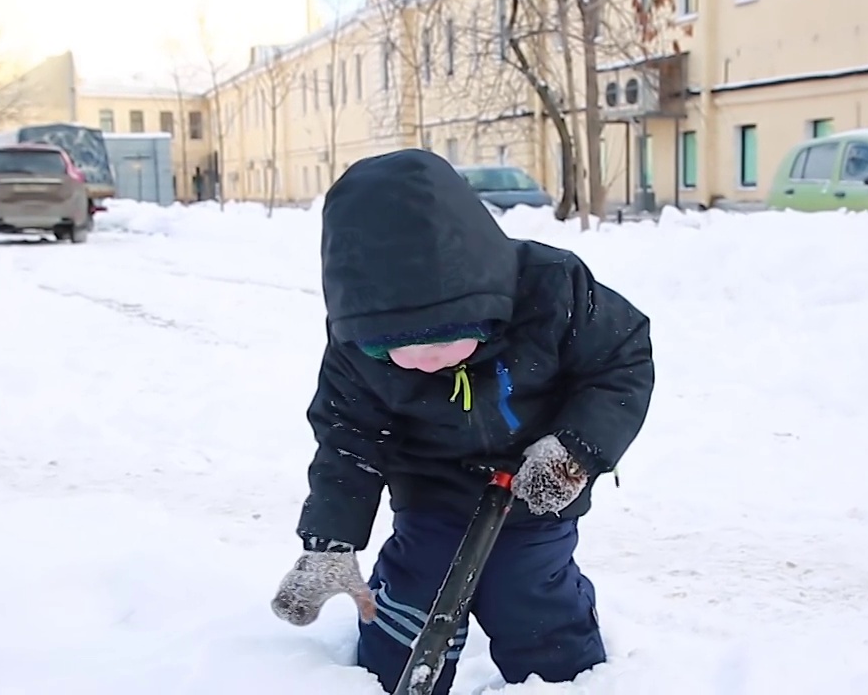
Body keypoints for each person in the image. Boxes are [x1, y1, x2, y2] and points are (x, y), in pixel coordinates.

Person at [269, 148, 655, 694]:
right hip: (431, 495)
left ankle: (567, 682)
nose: (429, 359)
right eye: (399, 349)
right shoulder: (355, 346)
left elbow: (620, 361)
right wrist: (330, 544)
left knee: (530, 595)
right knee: (412, 593)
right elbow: (346, 442)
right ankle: (385, 683)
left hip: (535, 488)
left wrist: (575, 452)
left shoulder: (550, 289)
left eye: (445, 338)